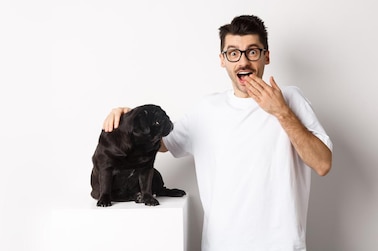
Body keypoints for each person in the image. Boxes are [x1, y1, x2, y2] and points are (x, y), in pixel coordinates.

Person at [102, 15, 332, 251]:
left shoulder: (291, 99)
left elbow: (323, 163)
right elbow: (160, 143)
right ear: (223, 60)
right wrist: (126, 120)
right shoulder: (207, 109)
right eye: (233, 53)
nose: (243, 61)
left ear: (267, 56)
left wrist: (281, 112)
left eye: (252, 52)